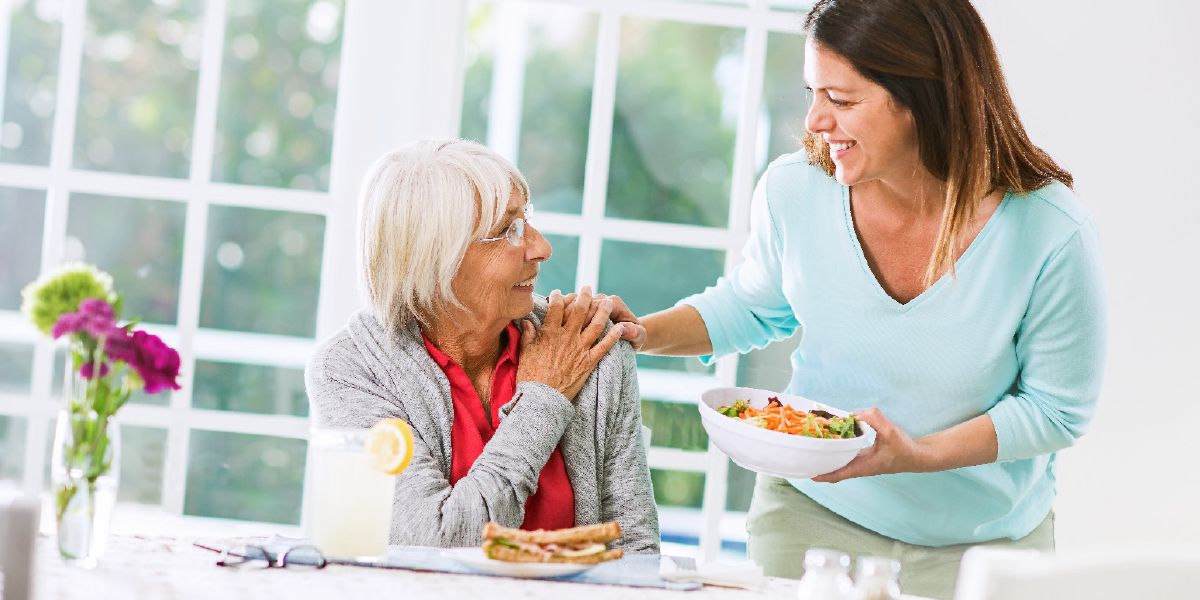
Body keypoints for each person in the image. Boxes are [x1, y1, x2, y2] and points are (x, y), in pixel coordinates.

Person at [601, 0, 1106, 596]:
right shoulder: (795, 190)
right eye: (813, 91)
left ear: (926, 98)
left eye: (841, 100)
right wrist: (642, 331)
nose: (815, 119)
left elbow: (1055, 409)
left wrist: (915, 455)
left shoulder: (1048, 230)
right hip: (811, 523)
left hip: (985, 548)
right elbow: (753, 304)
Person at [305, 139, 659, 553]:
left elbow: (635, 552)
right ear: (436, 260)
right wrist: (543, 399)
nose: (542, 247)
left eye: (527, 218)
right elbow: (436, 544)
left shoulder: (587, 347)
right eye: (508, 230)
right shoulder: (351, 369)